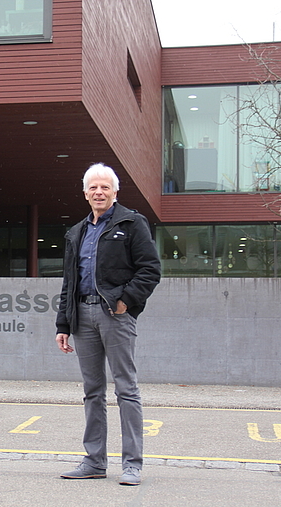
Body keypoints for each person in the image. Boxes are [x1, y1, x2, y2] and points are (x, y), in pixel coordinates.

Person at [55, 162, 161, 485]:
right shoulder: (77, 232)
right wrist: (63, 324)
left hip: (115, 315)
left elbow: (150, 270)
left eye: (105, 187)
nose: (98, 192)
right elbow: (69, 282)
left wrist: (125, 301)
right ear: (85, 193)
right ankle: (94, 460)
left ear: (115, 191)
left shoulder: (131, 223)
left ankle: (132, 464)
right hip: (82, 317)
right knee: (93, 391)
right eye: (93, 187)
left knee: (126, 389)